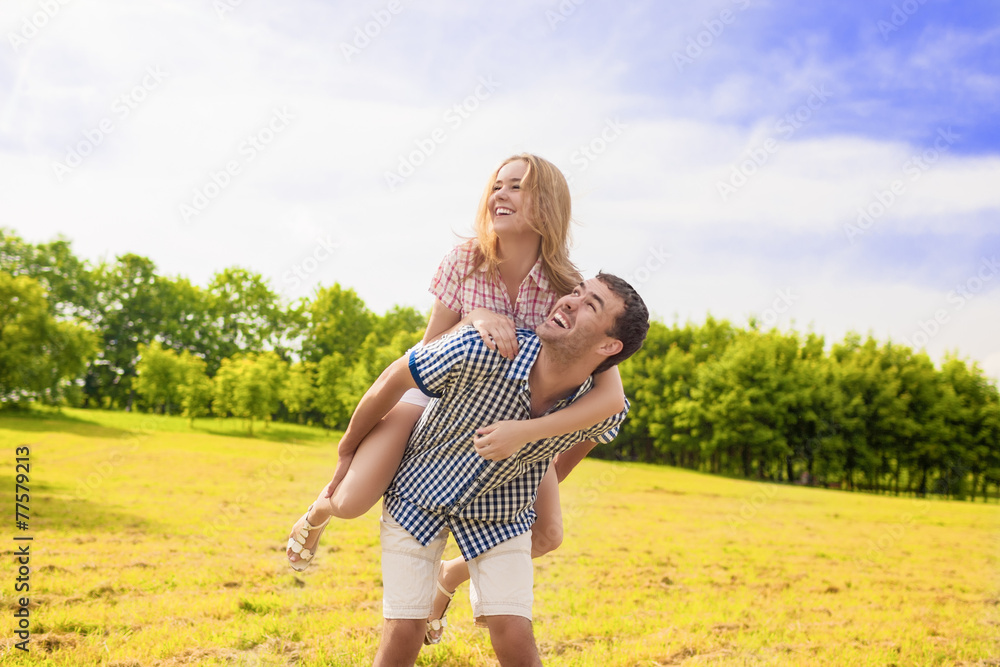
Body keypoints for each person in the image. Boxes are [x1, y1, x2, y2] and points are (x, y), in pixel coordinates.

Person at [287, 154, 627, 631]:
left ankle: (448, 577)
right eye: (497, 185)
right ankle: (321, 510)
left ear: (548, 204)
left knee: (547, 533)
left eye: (516, 187)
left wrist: (537, 449)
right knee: (353, 502)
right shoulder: (465, 261)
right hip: (437, 397)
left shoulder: (569, 287)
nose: (500, 194)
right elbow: (427, 350)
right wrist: (474, 319)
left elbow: (610, 401)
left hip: (510, 421)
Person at [349, 272, 649, 666]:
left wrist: (528, 458)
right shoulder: (483, 347)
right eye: (575, 292)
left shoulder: (601, 409)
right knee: (403, 635)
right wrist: (346, 450)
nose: (569, 301)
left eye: (590, 305)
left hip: (501, 514)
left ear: (609, 345)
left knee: (515, 637)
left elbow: (571, 454)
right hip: (418, 496)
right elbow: (394, 378)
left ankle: (450, 575)